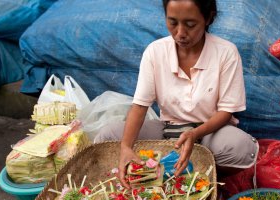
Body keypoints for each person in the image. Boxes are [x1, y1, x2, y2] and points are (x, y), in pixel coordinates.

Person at [95, 0, 258, 188]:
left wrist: (195, 133)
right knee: (108, 135)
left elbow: (226, 111)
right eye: (172, 22)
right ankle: (164, 173)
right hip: (168, 131)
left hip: (210, 133)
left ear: (208, 18)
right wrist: (125, 147)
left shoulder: (226, 53)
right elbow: (140, 106)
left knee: (241, 148)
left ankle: (204, 177)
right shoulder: (155, 51)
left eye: (190, 25)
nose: (180, 33)